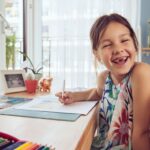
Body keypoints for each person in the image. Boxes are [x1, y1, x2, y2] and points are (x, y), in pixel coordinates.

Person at [55, 13, 150, 150]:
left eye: (124, 40)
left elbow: (142, 133)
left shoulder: (141, 73)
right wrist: (74, 96)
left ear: (135, 44)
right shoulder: (104, 78)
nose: (118, 49)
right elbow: (97, 93)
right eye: (107, 45)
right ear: (97, 54)